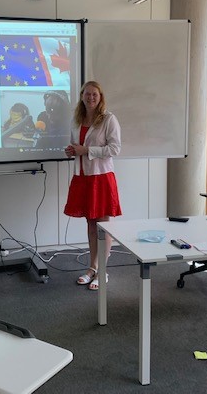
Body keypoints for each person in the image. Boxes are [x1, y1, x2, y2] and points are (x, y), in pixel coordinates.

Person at [64, 81, 122, 290]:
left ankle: (102, 271)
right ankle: (92, 267)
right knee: (90, 225)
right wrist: (72, 151)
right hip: (83, 176)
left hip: (101, 177)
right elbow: (76, 145)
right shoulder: (76, 120)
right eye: (87, 94)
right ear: (82, 96)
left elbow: (115, 149)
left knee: (103, 225)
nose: (90, 97)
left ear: (100, 97)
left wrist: (87, 150)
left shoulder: (108, 119)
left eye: (94, 94)